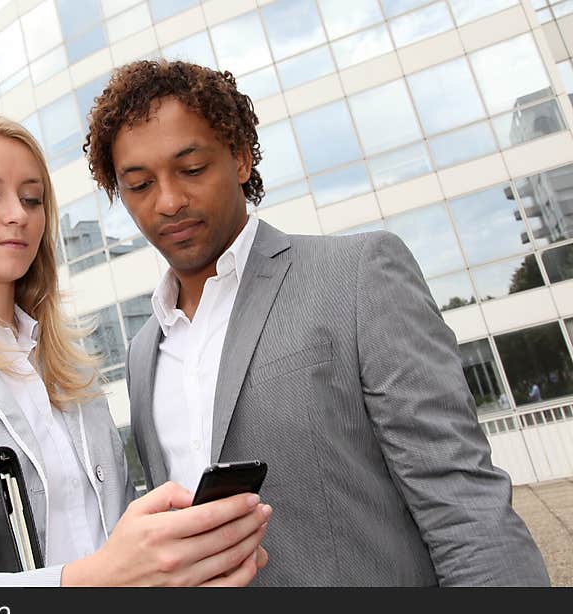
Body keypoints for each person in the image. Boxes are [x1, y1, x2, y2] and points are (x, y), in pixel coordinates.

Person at [83, 60, 550, 586]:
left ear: (239, 157)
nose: (168, 201)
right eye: (140, 185)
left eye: (191, 169)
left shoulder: (357, 276)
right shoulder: (144, 353)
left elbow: (465, 506)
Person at [0, 110, 271, 586]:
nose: (17, 214)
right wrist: (87, 580)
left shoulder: (73, 375)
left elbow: (122, 561)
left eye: (32, 198)